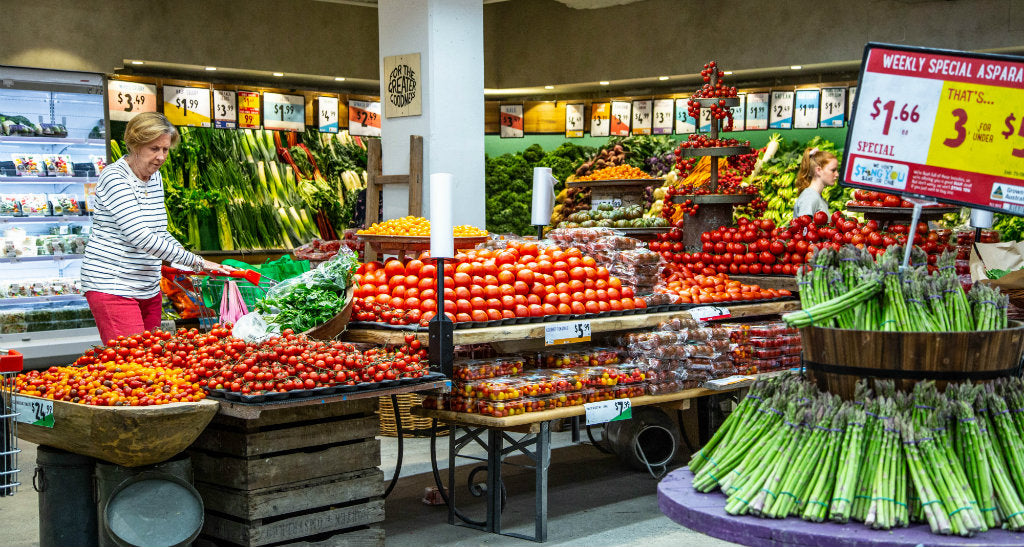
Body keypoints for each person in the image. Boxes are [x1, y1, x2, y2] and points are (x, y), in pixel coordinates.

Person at [81, 112, 232, 343]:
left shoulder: (155, 177)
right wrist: (197, 261)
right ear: (134, 145)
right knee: (131, 362)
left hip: (147, 285)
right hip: (113, 285)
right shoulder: (115, 178)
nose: (161, 157)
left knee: (152, 358)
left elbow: (159, 231)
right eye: (154, 149)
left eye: (165, 149)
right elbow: (140, 236)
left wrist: (187, 262)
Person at [792, 147, 839, 219]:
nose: (837, 174)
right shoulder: (809, 198)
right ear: (818, 170)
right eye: (833, 170)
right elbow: (804, 227)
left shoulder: (816, 197)